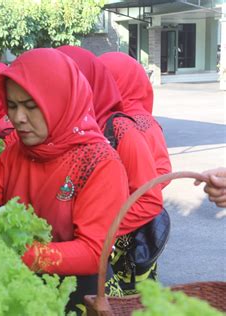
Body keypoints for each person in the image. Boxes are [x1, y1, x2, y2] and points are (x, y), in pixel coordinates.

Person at [0, 48, 129, 314]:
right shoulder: (15, 151)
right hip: (22, 285)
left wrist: (17, 255)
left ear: (60, 101)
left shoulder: (100, 161)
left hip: (80, 293)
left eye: (32, 106)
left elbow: (93, 252)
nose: (18, 117)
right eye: (12, 105)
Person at [57, 45, 164, 294]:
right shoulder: (75, 127)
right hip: (97, 241)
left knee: (132, 299)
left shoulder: (123, 126)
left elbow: (152, 191)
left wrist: (102, 225)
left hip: (121, 235)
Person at [99, 52, 172, 187]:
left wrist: (132, 194)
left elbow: (163, 171)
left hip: (132, 204)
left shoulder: (142, 123)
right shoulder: (99, 116)